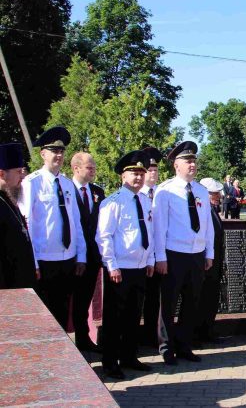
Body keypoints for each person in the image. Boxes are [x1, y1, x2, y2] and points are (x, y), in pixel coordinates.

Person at [153, 141, 215, 365]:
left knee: (191, 303)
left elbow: (207, 224)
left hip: (196, 254)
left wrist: (209, 252)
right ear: (176, 165)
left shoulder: (201, 191)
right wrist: (160, 257)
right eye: (187, 161)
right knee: (169, 304)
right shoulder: (165, 190)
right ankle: (166, 347)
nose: (192, 165)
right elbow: (159, 227)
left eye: (194, 161)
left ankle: (184, 345)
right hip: (174, 254)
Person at [19, 126, 86, 330]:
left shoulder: (67, 184)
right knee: (44, 316)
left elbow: (76, 222)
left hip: (68, 259)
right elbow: (27, 224)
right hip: (44, 260)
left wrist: (81, 255)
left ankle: (63, 348)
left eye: (62, 151)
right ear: (43, 154)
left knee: (63, 312)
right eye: (54, 151)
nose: (59, 155)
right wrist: (33, 262)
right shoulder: (32, 183)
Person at [96, 150, 155, 379]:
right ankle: (110, 363)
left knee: (133, 316)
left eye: (141, 173)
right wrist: (111, 265)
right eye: (133, 173)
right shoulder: (113, 202)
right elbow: (104, 236)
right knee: (114, 319)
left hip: (139, 268)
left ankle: (129, 357)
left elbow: (149, 232)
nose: (138, 177)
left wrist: (150, 260)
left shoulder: (145, 201)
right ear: (123, 176)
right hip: (119, 270)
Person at [70, 152, 105, 353]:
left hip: (92, 256)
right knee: (70, 301)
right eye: (89, 168)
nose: (93, 171)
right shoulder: (67, 189)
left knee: (84, 300)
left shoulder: (98, 191)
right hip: (71, 255)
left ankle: (83, 341)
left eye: (94, 168)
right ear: (76, 168)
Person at [0, 142, 36, 289]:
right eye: (18, 172)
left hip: (22, 284)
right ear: (2, 174)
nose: (23, 176)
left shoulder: (10, 199)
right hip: (7, 290)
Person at [195, 177, 226, 341]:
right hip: (205, 264)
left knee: (211, 298)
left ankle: (207, 331)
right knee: (202, 300)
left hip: (214, 263)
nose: (218, 196)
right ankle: (198, 334)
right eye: (214, 193)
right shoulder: (201, 211)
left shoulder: (212, 210)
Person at [139, 146, 163, 347]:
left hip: (160, 254)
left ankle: (153, 336)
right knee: (140, 298)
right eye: (150, 170)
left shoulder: (163, 193)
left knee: (156, 298)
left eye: (156, 170)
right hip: (140, 255)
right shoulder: (137, 195)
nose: (153, 173)